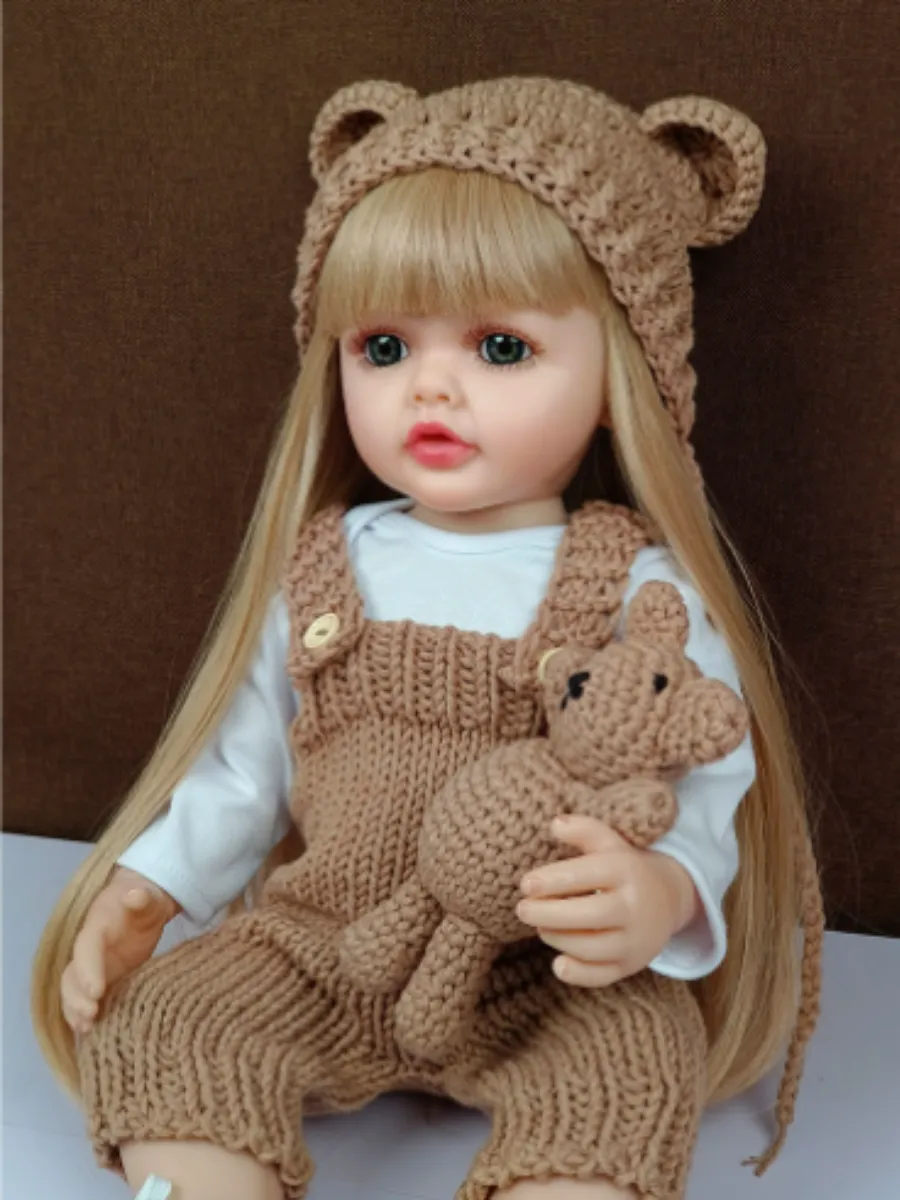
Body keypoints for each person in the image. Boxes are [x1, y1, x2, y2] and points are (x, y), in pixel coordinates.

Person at [31, 77, 824, 1200]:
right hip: (325, 948)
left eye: (500, 348)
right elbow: (241, 773)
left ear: (621, 378)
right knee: (173, 1020)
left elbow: (703, 780)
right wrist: (151, 890)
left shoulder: (638, 590)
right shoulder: (323, 567)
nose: (430, 389)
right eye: (383, 347)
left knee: (632, 1062)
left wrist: (659, 893)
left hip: (544, 979)